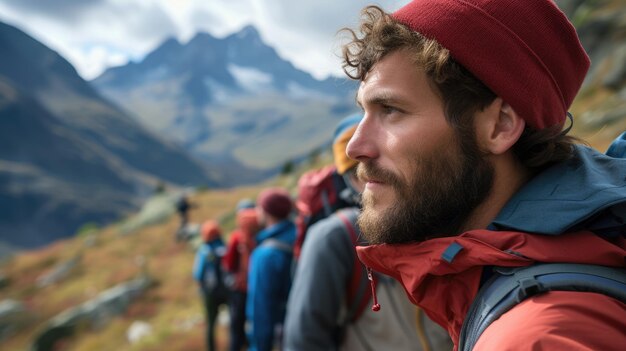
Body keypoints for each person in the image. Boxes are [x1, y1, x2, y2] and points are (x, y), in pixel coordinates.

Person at [341, 1, 626, 350]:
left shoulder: (535, 338)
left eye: (390, 110)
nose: (355, 147)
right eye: (363, 112)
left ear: (500, 125)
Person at [284, 115, 452, 351]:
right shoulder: (334, 238)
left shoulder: (439, 221)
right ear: (346, 182)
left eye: (384, 165)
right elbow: (304, 340)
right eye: (359, 174)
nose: (372, 183)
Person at [246, 188, 295, 351]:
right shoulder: (304, 236)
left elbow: (261, 310)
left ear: (266, 211)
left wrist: (259, 346)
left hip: (283, 334)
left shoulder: (265, 254)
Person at [223, 201, 259, 351]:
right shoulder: (262, 235)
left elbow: (229, 264)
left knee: (236, 328)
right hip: (258, 288)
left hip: (240, 289)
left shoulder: (237, 237)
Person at [193, 220, 229, 351]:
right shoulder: (225, 247)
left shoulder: (204, 251)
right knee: (233, 321)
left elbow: (197, 274)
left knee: (211, 324)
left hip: (210, 293)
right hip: (227, 291)